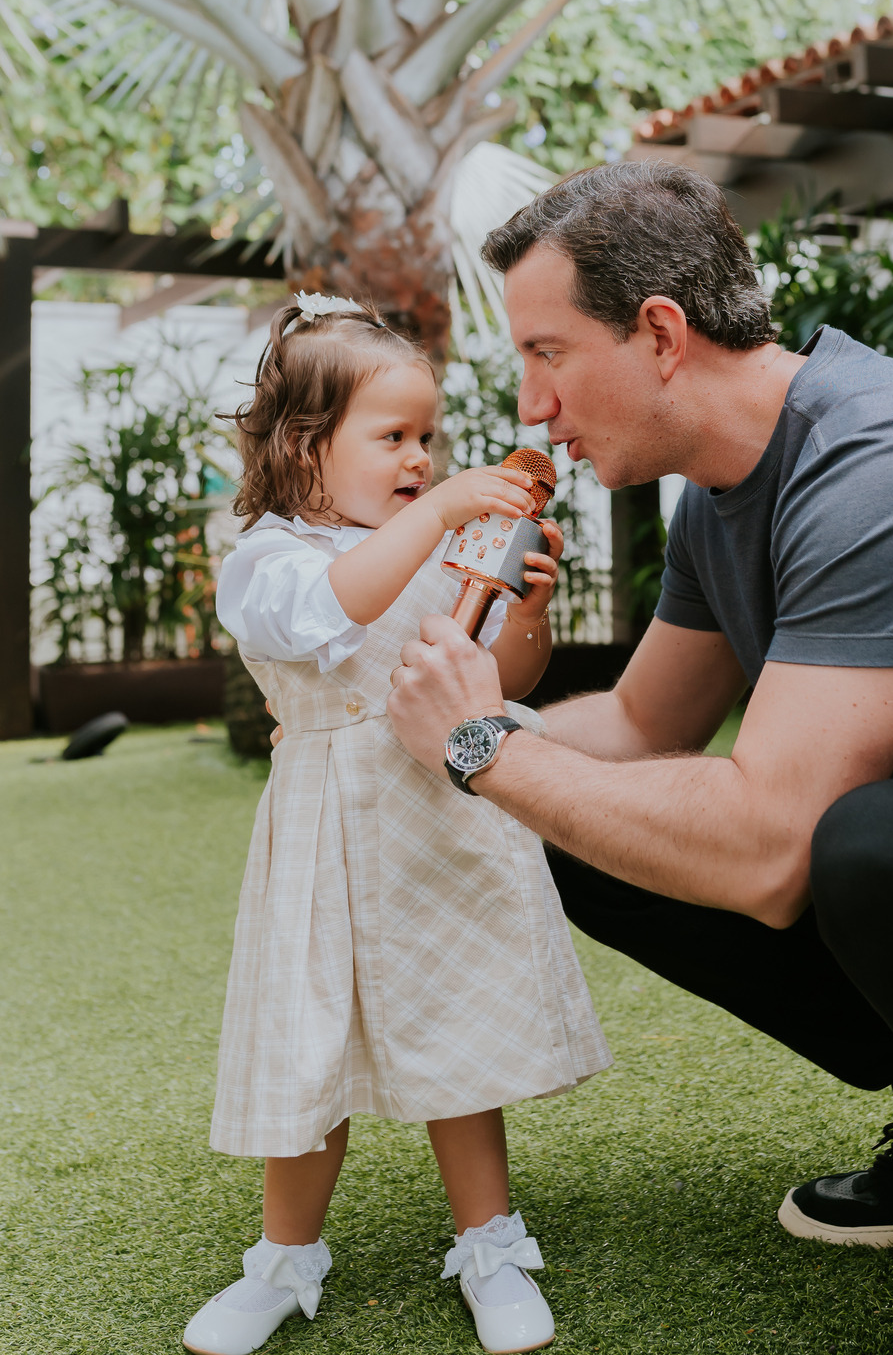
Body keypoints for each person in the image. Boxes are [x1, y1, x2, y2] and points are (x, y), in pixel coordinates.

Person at [387, 162, 893, 1355]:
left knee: (876, 849)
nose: (533, 410)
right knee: (568, 819)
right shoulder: (718, 494)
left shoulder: (887, 455)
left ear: (661, 334)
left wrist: (483, 748)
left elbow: (774, 849)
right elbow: (639, 727)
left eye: (548, 353)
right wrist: (436, 756)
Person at [182, 294, 610, 1355]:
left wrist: (525, 610)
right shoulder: (268, 560)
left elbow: (499, 677)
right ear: (303, 450)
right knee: (305, 1040)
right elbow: (327, 615)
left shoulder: (432, 543)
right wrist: (441, 515)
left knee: (454, 1024)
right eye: (393, 438)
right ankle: (285, 1258)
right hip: (323, 833)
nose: (421, 459)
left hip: (437, 820)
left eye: (428, 438)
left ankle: (491, 1242)